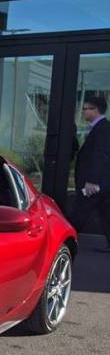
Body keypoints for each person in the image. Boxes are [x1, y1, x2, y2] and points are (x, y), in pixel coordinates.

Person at [70, 95, 110, 251]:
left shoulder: (103, 129)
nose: (83, 112)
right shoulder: (100, 128)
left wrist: (92, 180)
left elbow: (101, 155)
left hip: (95, 184)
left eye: (86, 108)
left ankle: (66, 241)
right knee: (106, 213)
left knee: (79, 212)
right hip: (102, 184)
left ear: (96, 110)